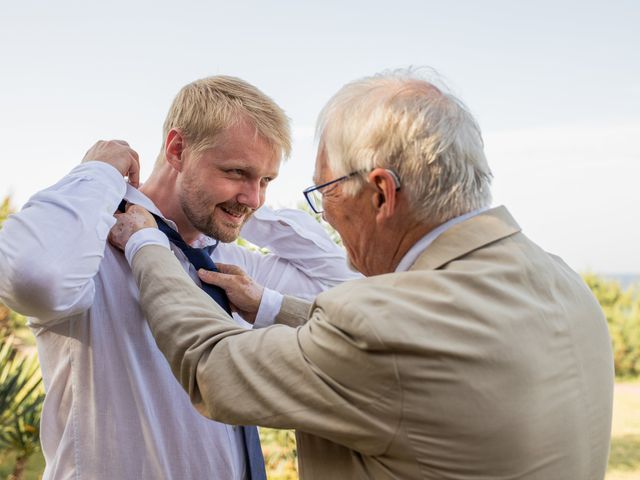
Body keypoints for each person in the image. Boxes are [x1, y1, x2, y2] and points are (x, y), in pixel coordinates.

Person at [110, 68, 615, 480]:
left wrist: (146, 242)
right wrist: (271, 305)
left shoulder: (383, 323)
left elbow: (211, 366)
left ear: (381, 193)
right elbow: (422, 347)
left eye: (324, 191)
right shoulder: (561, 282)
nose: (325, 215)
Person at [0, 76, 360, 480]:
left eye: (265, 181)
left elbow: (349, 293)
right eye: (237, 171)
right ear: (177, 149)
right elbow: (33, 277)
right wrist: (99, 173)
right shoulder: (91, 252)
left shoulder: (233, 267)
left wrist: (243, 214)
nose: (255, 196)